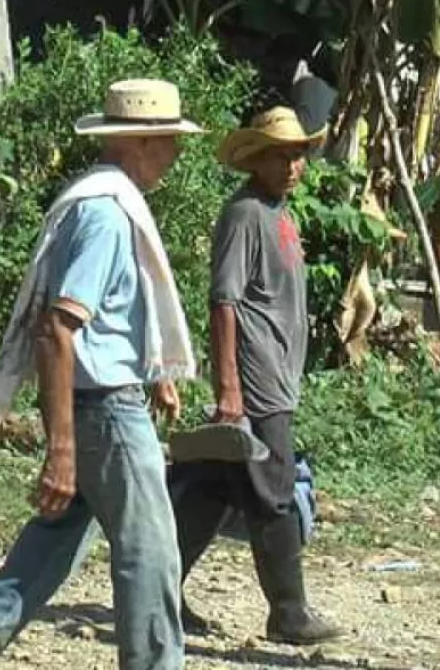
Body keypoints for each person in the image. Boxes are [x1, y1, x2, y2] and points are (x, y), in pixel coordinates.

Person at [0, 79, 202, 670]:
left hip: (96, 396)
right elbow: (58, 328)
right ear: (139, 144)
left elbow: (100, 319)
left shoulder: (91, 198)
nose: (175, 155)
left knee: (62, 530)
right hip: (106, 406)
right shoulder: (107, 215)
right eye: (169, 142)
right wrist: (62, 448)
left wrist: (152, 370)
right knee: (150, 551)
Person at [167, 106, 342, 646]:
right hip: (257, 381)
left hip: (277, 377)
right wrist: (229, 387)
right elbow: (225, 301)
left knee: (212, 488)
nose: (293, 165)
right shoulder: (244, 213)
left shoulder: (280, 213)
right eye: (281, 155)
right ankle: (288, 612)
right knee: (274, 491)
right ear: (256, 159)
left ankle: (157, 592)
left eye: (298, 154)